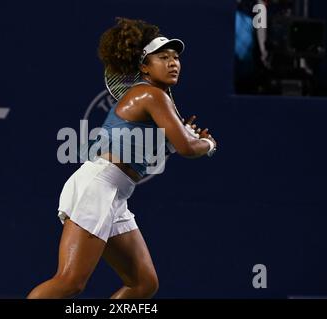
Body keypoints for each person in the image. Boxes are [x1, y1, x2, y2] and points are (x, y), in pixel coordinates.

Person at [27, 17, 217, 299]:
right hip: (98, 186)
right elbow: (189, 148)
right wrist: (207, 144)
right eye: (162, 57)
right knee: (69, 282)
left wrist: (182, 140)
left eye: (175, 57)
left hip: (116, 194)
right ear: (144, 67)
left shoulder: (156, 99)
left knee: (143, 284)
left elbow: (168, 146)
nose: (173, 62)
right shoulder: (150, 95)